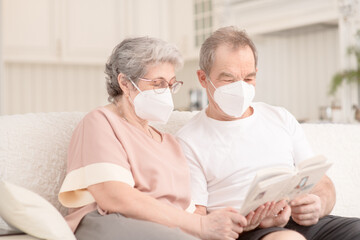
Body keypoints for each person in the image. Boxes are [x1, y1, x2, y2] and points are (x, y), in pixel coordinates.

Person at [57, 36, 277, 240]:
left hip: (166, 230)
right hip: (111, 222)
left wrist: (241, 223)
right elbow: (115, 197)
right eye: (158, 84)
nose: (166, 92)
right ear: (125, 83)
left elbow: (191, 212)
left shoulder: (170, 143)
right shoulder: (101, 122)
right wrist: (200, 226)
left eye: (171, 85)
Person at [176, 26, 360, 240]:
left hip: (303, 223)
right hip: (248, 232)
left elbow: (322, 184)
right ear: (202, 78)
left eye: (248, 78)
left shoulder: (279, 117)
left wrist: (317, 206)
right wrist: (245, 223)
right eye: (228, 79)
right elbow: (197, 219)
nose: (241, 88)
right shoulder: (188, 140)